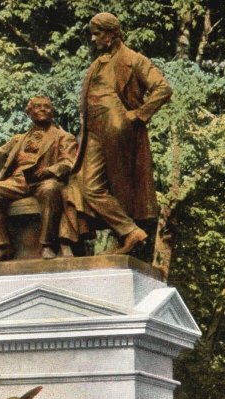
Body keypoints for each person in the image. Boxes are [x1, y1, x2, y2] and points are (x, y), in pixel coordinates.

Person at [62, 12, 172, 253]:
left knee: (121, 187)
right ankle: (129, 231)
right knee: (86, 186)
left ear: (111, 35)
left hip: (117, 129)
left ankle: (126, 237)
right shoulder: (98, 63)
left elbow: (163, 88)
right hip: (92, 132)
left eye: (97, 33)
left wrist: (139, 114)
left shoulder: (134, 60)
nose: (93, 39)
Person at [0, 96, 78, 264]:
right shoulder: (18, 139)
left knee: (50, 189)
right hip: (17, 181)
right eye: (38, 107)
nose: (43, 109)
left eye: (47, 107)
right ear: (29, 113)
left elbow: (69, 162)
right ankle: (3, 247)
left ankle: (47, 244)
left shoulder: (63, 137)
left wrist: (49, 170)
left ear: (52, 112)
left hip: (44, 180)